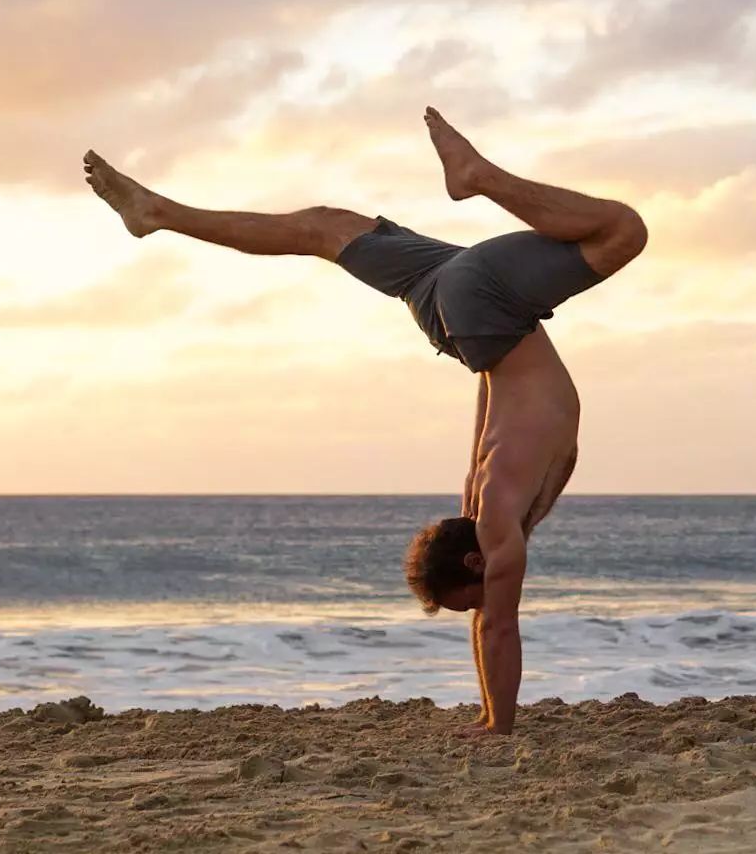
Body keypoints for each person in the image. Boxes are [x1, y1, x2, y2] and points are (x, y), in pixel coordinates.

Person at [83, 106, 647, 736]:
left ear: (471, 562)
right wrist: (489, 714)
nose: (485, 603)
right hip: (451, 312)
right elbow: (491, 400)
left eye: (473, 594)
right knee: (325, 228)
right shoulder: (485, 491)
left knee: (623, 231)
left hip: (477, 304)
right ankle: (159, 213)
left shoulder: (496, 518)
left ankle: (475, 176)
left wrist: (499, 726)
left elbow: (499, 625)